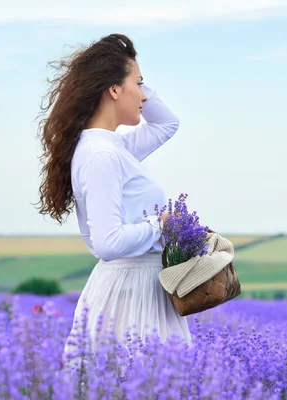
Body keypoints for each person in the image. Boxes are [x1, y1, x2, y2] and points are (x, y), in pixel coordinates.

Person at [34, 33, 192, 358]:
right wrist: (160, 225)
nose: (144, 96)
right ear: (115, 89)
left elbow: (167, 124)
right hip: (130, 294)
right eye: (138, 84)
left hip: (141, 287)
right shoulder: (102, 155)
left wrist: (129, 70)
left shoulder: (112, 147)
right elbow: (108, 243)